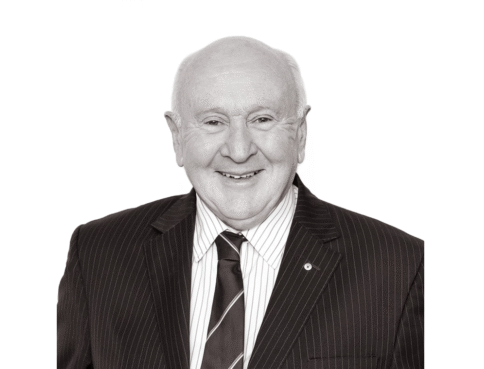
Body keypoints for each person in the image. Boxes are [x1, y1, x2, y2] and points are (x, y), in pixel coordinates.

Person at [57, 36, 423, 369]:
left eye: (262, 119)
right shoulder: (98, 255)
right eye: (213, 122)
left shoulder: (399, 268)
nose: (239, 149)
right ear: (177, 137)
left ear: (300, 133)